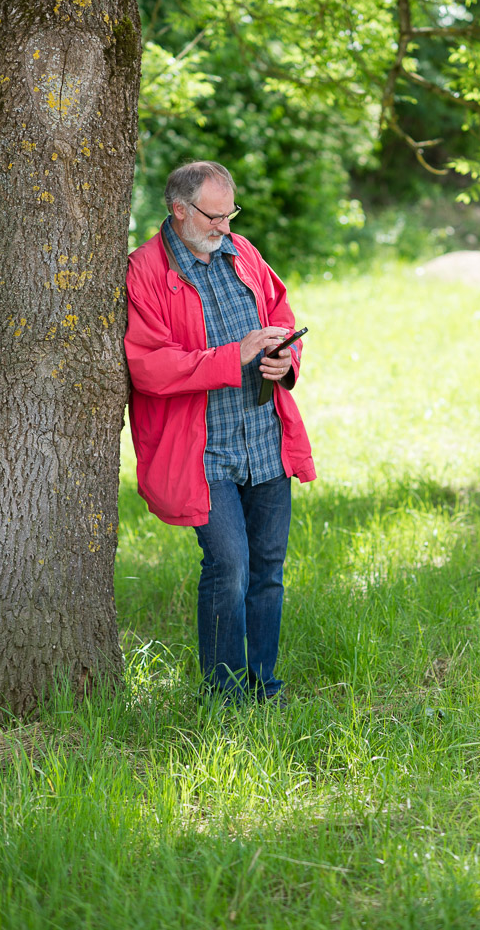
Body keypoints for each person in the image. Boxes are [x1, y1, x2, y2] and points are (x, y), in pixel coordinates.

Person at [124, 161, 316, 706]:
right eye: (214, 216)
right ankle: (224, 695)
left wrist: (287, 358)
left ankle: (264, 686)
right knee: (229, 566)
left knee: (267, 570)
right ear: (178, 210)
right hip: (201, 449)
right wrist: (235, 357)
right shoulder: (144, 270)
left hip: (264, 440)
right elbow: (150, 366)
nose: (225, 227)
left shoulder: (243, 252)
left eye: (231, 214)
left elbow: (280, 313)